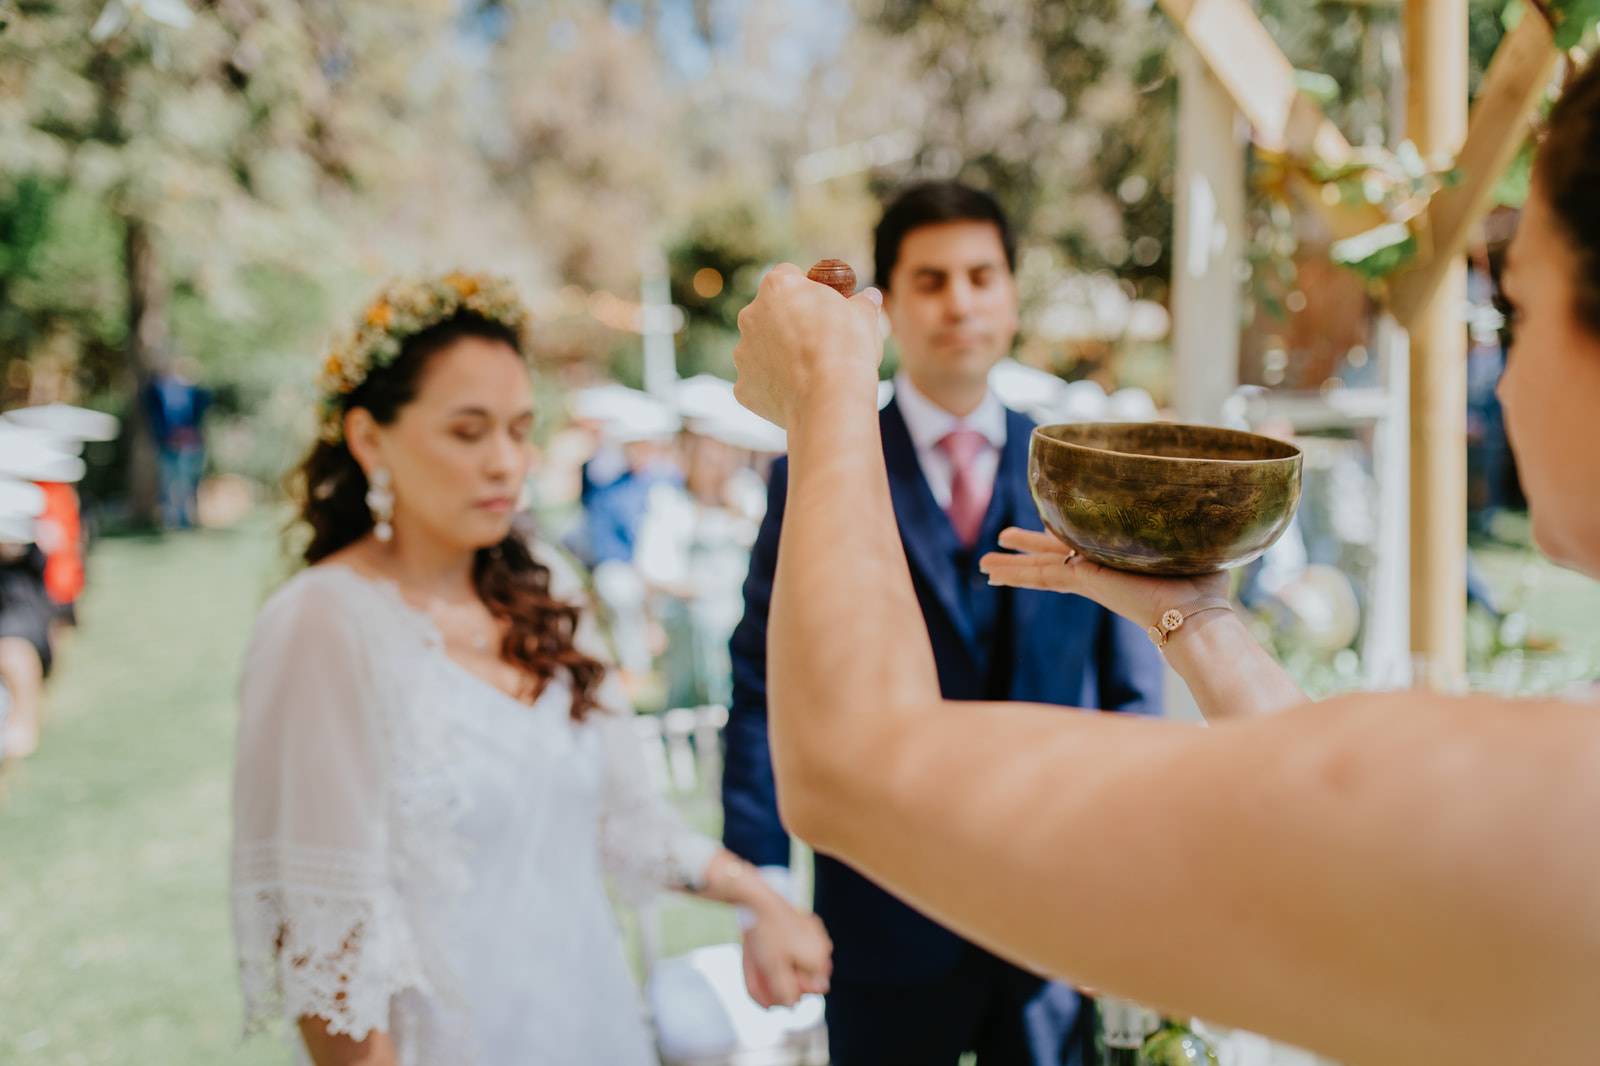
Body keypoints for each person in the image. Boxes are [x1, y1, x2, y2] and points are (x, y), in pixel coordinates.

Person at [724, 56, 1600, 1066]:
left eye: (1516, 311)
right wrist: (1202, 619)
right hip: (893, 944)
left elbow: (847, 764)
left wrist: (826, 393)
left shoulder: (1562, 814)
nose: (1502, 376)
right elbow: (1337, 817)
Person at [230, 273, 831, 1066]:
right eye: (468, 432)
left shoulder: (544, 588)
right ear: (372, 439)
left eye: (519, 430)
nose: (504, 463)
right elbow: (330, 947)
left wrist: (760, 901)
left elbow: (630, 825)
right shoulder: (323, 626)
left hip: (600, 1028)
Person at [722, 181, 1164, 1065]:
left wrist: (1120, 884)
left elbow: (1129, 692)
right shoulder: (819, 468)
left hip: (1052, 915)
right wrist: (764, 890)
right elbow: (765, 681)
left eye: (980, 276)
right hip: (882, 920)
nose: (959, 301)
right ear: (887, 303)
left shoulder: (1085, 468)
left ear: (1009, 292)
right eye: (930, 280)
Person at [142, 357, 211, 530]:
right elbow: (153, 415)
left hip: (190, 444)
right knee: (169, 481)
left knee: (188, 481)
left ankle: (187, 517)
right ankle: (170, 519)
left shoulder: (194, 393)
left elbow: (204, 404)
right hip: (167, 444)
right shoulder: (156, 391)